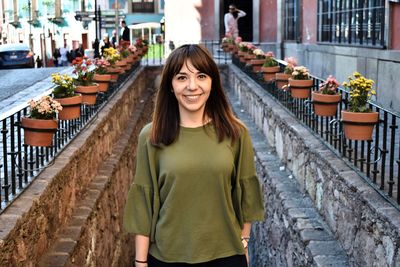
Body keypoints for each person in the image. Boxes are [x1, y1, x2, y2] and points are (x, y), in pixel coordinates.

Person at [123, 44, 264, 267]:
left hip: (226, 256)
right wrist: (141, 263)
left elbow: (245, 192)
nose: (192, 86)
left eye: (201, 76)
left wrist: (244, 241)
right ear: (170, 85)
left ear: (212, 83)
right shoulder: (151, 136)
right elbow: (144, 200)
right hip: (166, 257)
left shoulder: (236, 133)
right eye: (181, 77)